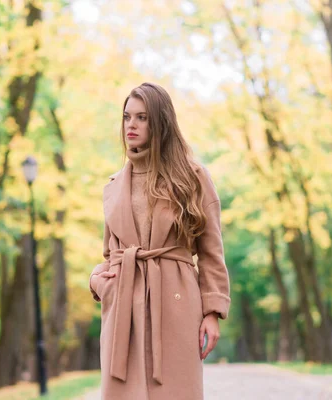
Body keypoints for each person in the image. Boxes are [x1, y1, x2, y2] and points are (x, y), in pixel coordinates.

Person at [88, 82, 231, 400]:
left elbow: (211, 250)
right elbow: (109, 254)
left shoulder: (191, 177)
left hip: (176, 301)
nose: (131, 125)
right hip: (124, 305)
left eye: (142, 117)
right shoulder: (113, 187)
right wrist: (98, 282)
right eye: (127, 117)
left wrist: (212, 312)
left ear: (160, 122)